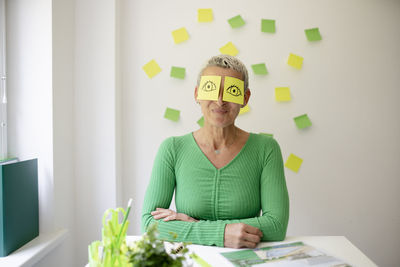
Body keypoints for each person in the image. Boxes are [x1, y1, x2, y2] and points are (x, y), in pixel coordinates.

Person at [141, 55, 289, 248]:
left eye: (231, 92)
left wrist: (193, 226)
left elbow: (276, 226)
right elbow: (149, 223)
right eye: (210, 89)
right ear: (197, 94)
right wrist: (222, 233)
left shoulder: (266, 149)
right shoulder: (172, 149)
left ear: (245, 98)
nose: (220, 101)